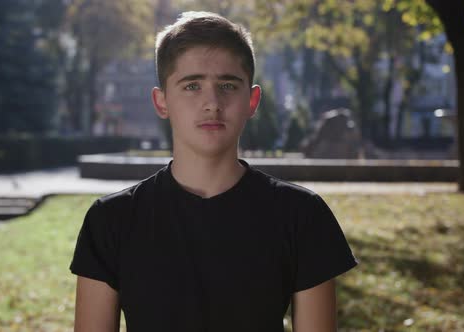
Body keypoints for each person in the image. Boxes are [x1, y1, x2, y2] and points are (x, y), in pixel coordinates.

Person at [70, 11, 357, 332]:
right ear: (161, 101)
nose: (212, 102)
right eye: (192, 85)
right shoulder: (111, 220)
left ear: (252, 99)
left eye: (228, 86)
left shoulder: (302, 216)